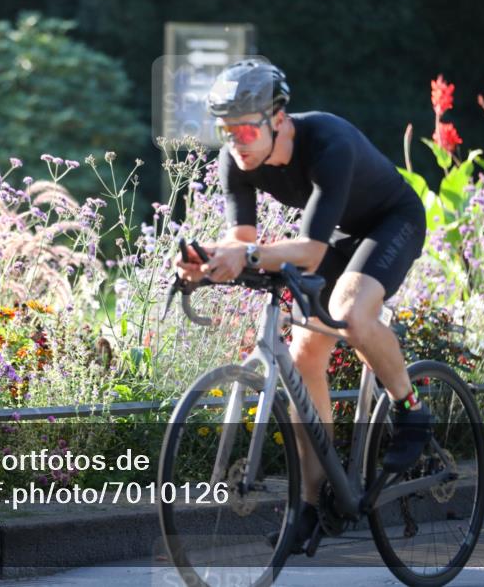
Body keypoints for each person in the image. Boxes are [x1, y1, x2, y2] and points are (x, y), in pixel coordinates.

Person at [174, 59, 431, 554]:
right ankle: (311, 507)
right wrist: (207, 261)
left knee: (353, 311)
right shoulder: (236, 161)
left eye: (247, 128)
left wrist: (244, 255)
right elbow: (242, 239)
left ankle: (411, 408)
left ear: (279, 118)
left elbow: (309, 253)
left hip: (391, 221)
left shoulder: (327, 143)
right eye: (226, 131)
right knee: (303, 354)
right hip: (337, 235)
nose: (238, 141)